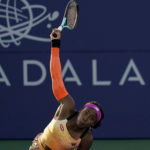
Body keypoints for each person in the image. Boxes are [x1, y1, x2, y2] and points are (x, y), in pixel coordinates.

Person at [29, 29, 104, 150]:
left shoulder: (86, 138)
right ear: (81, 110)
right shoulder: (67, 106)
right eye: (87, 113)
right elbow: (56, 76)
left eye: (92, 118)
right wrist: (55, 44)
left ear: (93, 124)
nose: (86, 118)